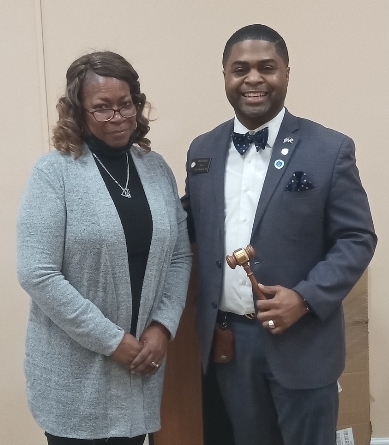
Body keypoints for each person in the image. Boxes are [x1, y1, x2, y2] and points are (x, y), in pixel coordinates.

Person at [181, 24, 376, 445]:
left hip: (302, 341)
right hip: (230, 344)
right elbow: (188, 222)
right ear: (225, 77)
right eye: (240, 69)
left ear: (286, 72)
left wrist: (305, 297)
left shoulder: (329, 148)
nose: (253, 79)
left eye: (266, 67)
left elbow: (357, 238)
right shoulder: (202, 150)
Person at [17, 51, 192, 445]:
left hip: (141, 372)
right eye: (102, 108)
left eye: (125, 104)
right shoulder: (54, 173)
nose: (119, 117)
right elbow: (37, 272)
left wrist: (163, 327)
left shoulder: (155, 168)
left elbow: (180, 256)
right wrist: (112, 341)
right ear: (78, 113)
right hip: (75, 379)